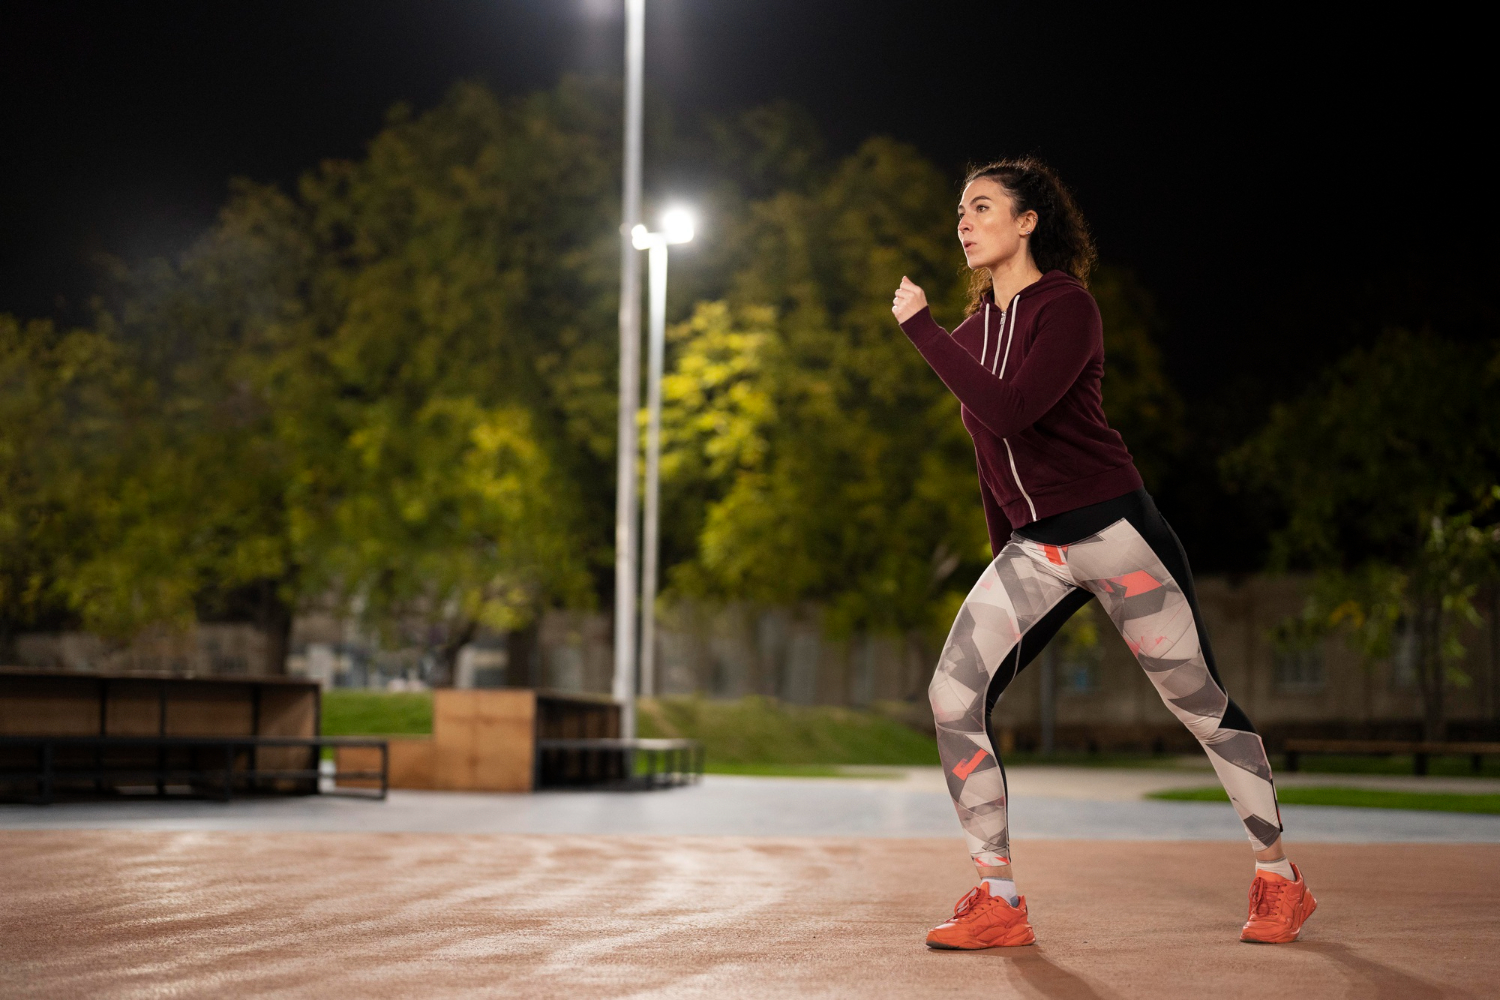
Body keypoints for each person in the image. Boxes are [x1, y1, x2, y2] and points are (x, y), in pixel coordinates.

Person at [890, 158, 1316, 949]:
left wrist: (921, 330)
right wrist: (1004, 559)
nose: (964, 220)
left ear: (1028, 222)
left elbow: (1012, 412)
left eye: (982, 206)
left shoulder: (1069, 308)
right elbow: (992, 459)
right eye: (960, 210)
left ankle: (1278, 878)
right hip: (1036, 550)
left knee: (1200, 706)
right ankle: (999, 896)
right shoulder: (976, 331)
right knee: (953, 697)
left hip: (1116, 534)